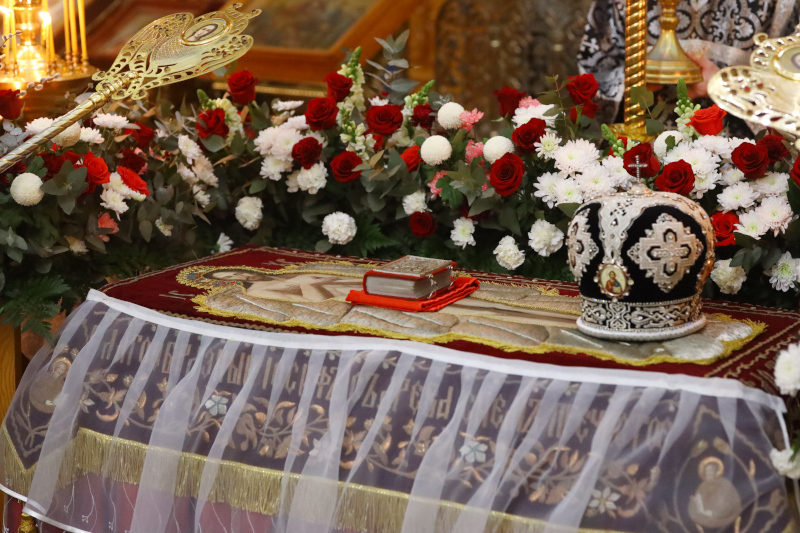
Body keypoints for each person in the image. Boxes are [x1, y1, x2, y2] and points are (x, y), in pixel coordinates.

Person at [577, 0, 800, 125]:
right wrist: (633, 81)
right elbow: (593, 70)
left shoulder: (782, 4)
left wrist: (724, 86)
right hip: (644, 144)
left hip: (741, 155)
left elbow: (793, 86)